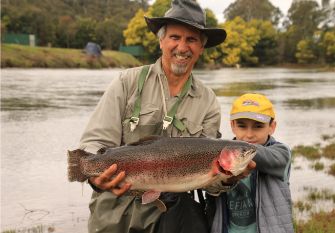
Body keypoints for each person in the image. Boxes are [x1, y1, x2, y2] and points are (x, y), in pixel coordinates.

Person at [77, 1, 254, 233]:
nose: (182, 47)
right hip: (116, 209)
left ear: (202, 47)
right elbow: (96, 142)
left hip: (171, 212)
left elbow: (210, 184)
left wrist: (229, 178)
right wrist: (92, 176)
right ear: (161, 41)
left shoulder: (208, 101)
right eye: (175, 37)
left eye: (191, 40)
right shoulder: (126, 82)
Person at [207, 93, 294, 233]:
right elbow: (210, 189)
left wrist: (232, 149)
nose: (249, 135)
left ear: (272, 127)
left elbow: (270, 157)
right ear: (232, 125)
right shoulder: (220, 158)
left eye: (258, 127)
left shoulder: (281, 152)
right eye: (242, 126)